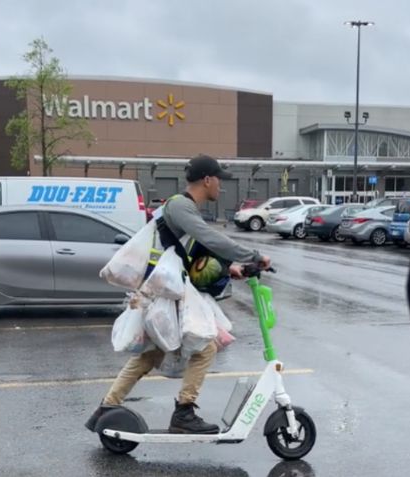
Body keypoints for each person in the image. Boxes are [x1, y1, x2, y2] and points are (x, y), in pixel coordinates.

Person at [86, 154, 271, 434]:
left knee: (149, 355)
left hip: (162, 291)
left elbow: (193, 252)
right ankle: (183, 412)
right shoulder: (181, 206)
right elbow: (209, 238)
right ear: (207, 180)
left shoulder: (179, 208)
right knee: (205, 346)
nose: (221, 186)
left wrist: (230, 267)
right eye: (219, 180)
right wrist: (253, 254)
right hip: (163, 294)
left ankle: (106, 407)